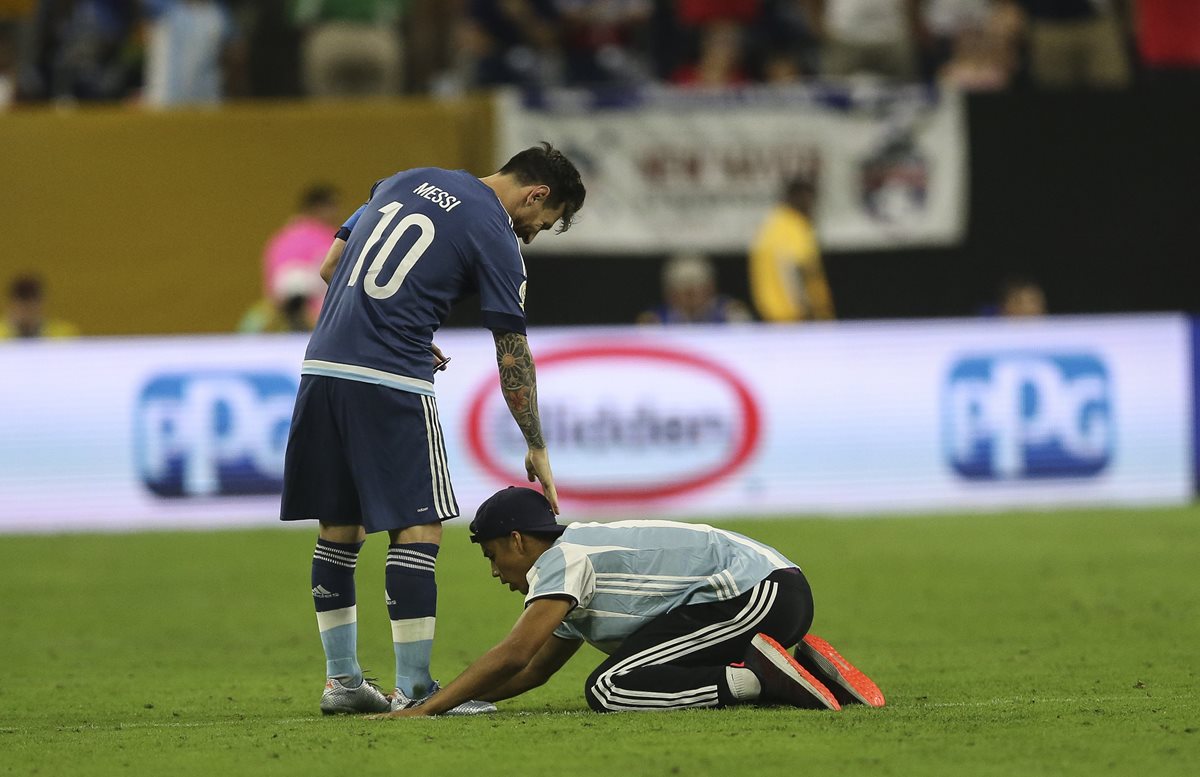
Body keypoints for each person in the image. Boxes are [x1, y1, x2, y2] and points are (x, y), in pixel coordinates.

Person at [280, 143, 586, 716]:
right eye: (542, 223)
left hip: (322, 366)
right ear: (536, 194)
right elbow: (511, 348)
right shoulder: (495, 232)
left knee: (340, 527)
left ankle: (342, 683)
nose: (532, 235)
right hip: (390, 378)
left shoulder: (404, 176)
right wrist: (536, 443)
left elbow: (331, 268)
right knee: (419, 527)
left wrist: (401, 319)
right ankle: (417, 688)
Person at [378, 487, 886, 717]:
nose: (495, 572)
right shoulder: (572, 571)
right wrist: (462, 706)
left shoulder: (563, 558)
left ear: (517, 541)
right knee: (623, 675)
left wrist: (423, 711)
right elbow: (532, 672)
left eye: (493, 556)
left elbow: (513, 653)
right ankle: (807, 673)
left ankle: (760, 679)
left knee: (611, 687)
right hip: (764, 591)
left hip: (758, 592)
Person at [748, 176, 835, 322]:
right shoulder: (793, 225)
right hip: (795, 318)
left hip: (774, 317)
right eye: (809, 199)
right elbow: (790, 267)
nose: (811, 205)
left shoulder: (771, 224)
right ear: (796, 197)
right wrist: (806, 309)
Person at [262, 183, 343, 323]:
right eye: (332, 206)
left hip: (283, 316)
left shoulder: (280, 238)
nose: (337, 212)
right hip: (321, 319)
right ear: (319, 208)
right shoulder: (332, 239)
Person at [636, 253, 752, 325]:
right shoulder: (655, 320)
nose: (691, 294)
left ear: (710, 287)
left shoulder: (731, 314)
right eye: (682, 288)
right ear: (670, 292)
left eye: (697, 286)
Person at [1, 274, 78, 339]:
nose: (27, 307)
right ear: (10, 304)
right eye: (21, 302)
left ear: (42, 302)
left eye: (32, 301)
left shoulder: (64, 335)